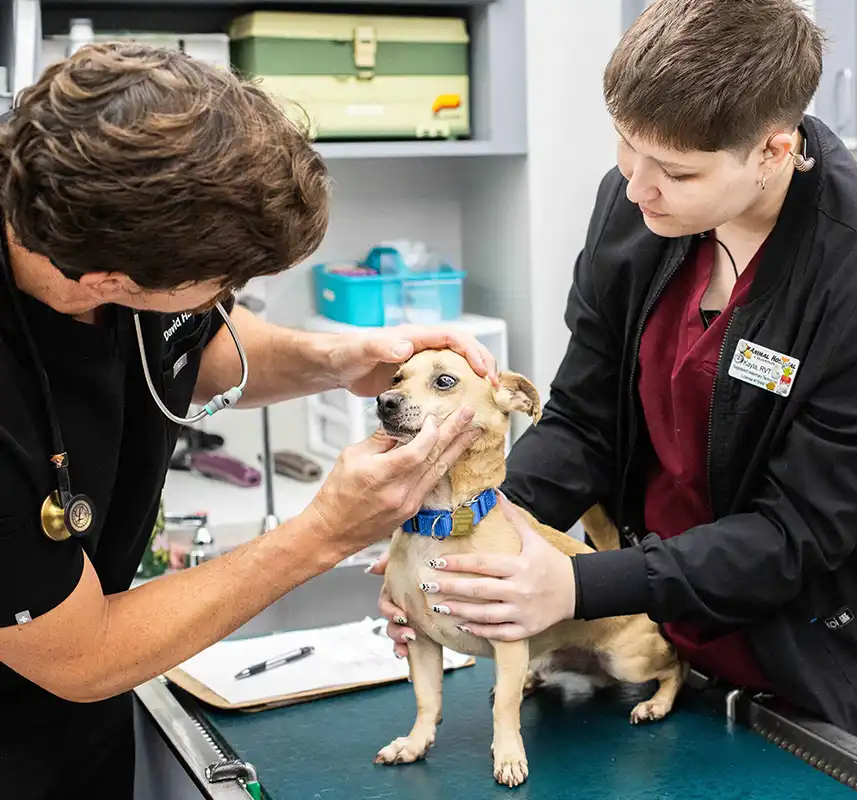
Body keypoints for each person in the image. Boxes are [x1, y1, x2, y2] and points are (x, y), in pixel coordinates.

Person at [374, 0, 857, 782]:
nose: (637, 189)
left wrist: (577, 583)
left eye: (678, 171)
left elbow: (799, 532)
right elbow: (585, 422)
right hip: (664, 638)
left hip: (842, 665)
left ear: (773, 150)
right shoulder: (634, 213)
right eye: (627, 148)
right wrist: (469, 546)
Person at [0, 43, 497, 798]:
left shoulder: (110, 239)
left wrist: (339, 358)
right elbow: (80, 653)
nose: (230, 297)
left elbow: (193, 343)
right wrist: (327, 530)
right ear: (107, 282)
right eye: (222, 284)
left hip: (87, 729)